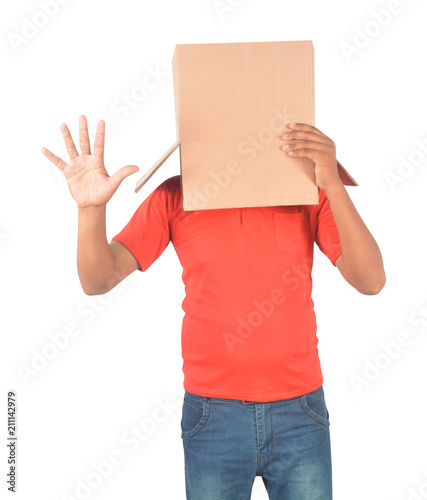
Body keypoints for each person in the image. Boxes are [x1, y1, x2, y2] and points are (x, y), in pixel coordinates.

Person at [42, 115, 386, 500]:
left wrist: (332, 184)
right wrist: (90, 210)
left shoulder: (306, 192)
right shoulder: (176, 195)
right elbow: (98, 279)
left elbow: (370, 281)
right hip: (213, 416)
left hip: (299, 414)